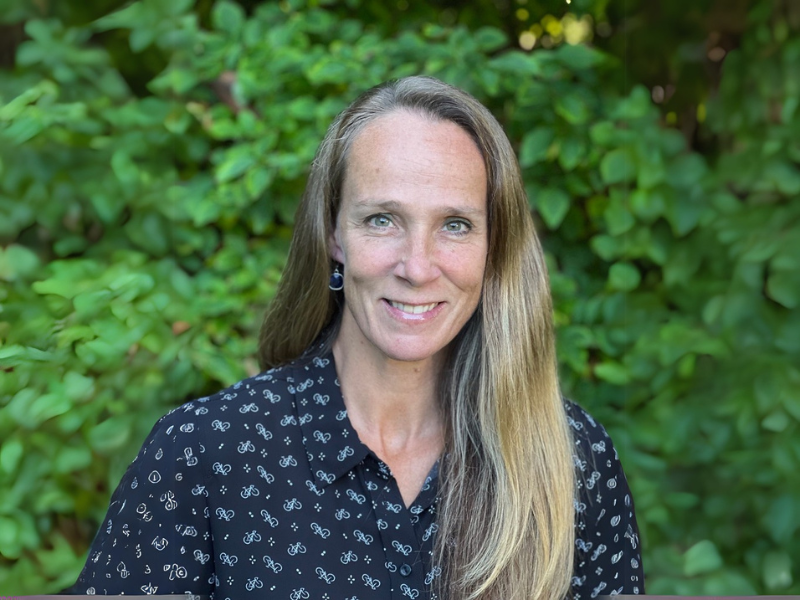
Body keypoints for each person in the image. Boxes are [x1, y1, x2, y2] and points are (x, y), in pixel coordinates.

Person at [67, 76, 644, 599]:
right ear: (333, 234)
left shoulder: (568, 459)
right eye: (382, 220)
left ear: (494, 249)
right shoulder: (205, 453)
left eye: (456, 225)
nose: (417, 267)